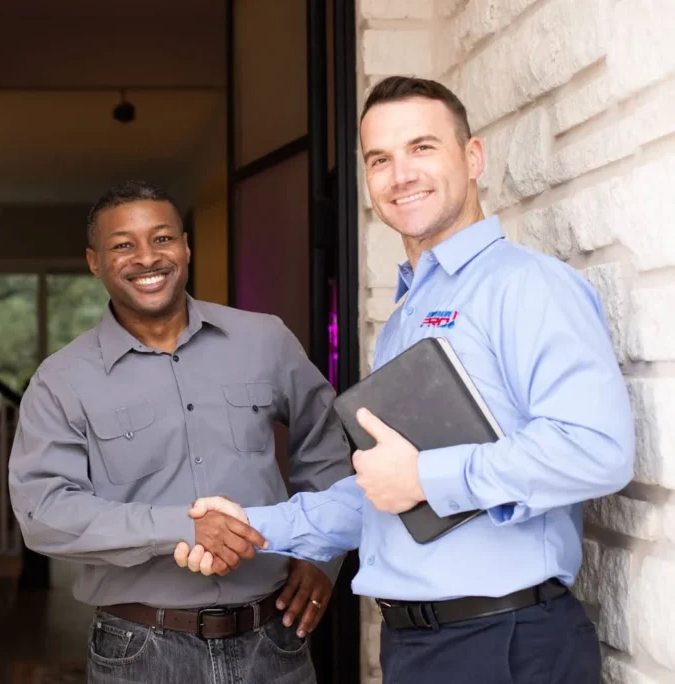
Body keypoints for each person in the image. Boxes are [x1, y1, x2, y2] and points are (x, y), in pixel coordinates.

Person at [175, 75, 635, 684]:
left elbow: (597, 451)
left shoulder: (526, 286)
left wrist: (426, 476)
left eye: (422, 148)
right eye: (380, 159)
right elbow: (383, 497)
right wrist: (252, 525)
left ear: (472, 158)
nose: (401, 175)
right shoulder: (408, 314)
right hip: (421, 647)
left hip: (505, 643)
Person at [7, 180, 354, 683]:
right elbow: (45, 513)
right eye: (123, 245)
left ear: (186, 246)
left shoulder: (265, 339)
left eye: (162, 239)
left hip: (272, 641)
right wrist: (181, 527)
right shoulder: (61, 380)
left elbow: (325, 445)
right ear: (94, 261)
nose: (147, 258)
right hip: (141, 651)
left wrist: (322, 553)